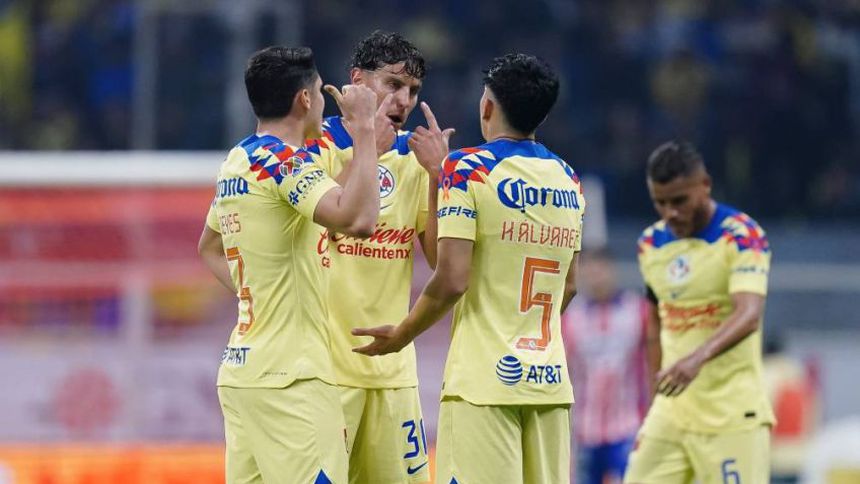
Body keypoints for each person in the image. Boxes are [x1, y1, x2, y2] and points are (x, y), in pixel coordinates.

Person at [353, 53, 586, 484]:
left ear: (487, 106)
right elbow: (569, 286)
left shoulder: (468, 169)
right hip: (550, 383)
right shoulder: (568, 179)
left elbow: (451, 276)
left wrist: (402, 334)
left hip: (483, 384)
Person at [197, 46, 380, 484]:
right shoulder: (286, 162)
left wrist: (260, 292)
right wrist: (365, 131)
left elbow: (209, 247)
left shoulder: (238, 161)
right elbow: (359, 220)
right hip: (292, 379)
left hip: (243, 373)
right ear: (305, 99)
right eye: (319, 93)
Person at [313, 31, 453, 484]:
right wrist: (367, 147)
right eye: (393, 84)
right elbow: (317, 228)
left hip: (394, 374)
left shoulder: (416, 160)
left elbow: (440, 260)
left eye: (412, 90)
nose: (404, 100)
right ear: (358, 81)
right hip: (325, 373)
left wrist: (438, 178)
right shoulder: (317, 146)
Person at [624, 141, 774, 484]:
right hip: (671, 414)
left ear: (704, 185)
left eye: (679, 201)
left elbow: (749, 314)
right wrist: (655, 398)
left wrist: (696, 359)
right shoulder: (650, 243)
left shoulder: (742, 236)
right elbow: (655, 322)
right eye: (660, 203)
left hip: (731, 415)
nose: (670, 213)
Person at [561, 248, 648, 484]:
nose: (596, 276)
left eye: (601, 269)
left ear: (612, 270)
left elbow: (653, 357)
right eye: (590, 270)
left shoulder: (637, 309)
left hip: (628, 426)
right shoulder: (571, 317)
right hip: (584, 430)